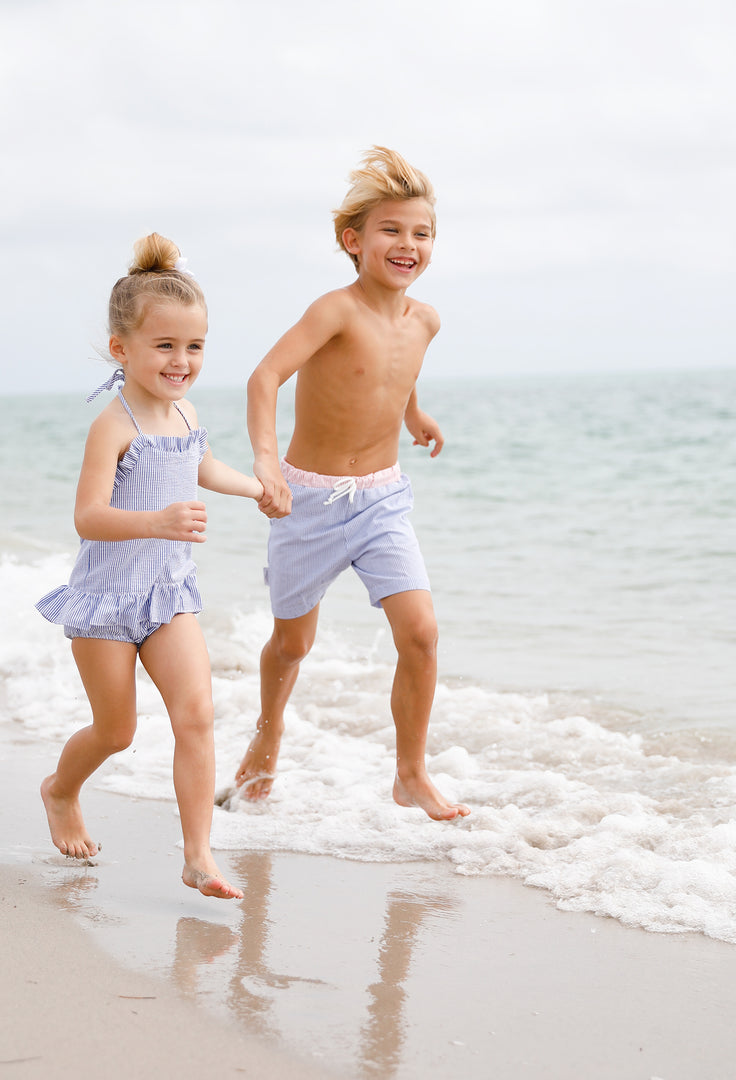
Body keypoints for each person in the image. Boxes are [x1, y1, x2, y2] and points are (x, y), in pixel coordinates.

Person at [236, 146, 470, 821]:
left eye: (421, 233)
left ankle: (410, 773)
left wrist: (414, 412)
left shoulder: (425, 319)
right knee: (292, 644)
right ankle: (268, 734)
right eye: (391, 230)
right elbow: (263, 378)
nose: (408, 244)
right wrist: (265, 462)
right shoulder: (333, 311)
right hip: (309, 498)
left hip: (380, 498)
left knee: (421, 632)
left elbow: (397, 368)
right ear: (354, 241)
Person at [36, 233, 262, 899]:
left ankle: (199, 856)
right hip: (107, 601)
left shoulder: (186, 409)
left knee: (196, 714)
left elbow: (203, 466)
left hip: (168, 596)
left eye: (194, 347)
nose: (181, 360)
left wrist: (258, 489)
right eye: (164, 345)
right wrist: (158, 521)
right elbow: (88, 516)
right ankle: (60, 789)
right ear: (122, 349)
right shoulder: (115, 424)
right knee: (117, 731)